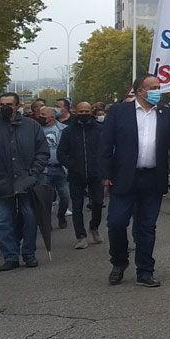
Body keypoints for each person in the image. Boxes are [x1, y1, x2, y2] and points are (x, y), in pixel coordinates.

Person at [98, 73, 170, 288]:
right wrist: (105, 174)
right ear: (140, 91)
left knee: (147, 227)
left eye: (159, 86)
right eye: (153, 87)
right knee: (116, 222)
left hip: (153, 177)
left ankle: (145, 270)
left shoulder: (168, 115)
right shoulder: (119, 112)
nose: (158, 91)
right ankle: (119, 261)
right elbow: (105, 145)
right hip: (124, 177)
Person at [0, 92, 49, 270]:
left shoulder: (31, 126)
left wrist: (33, 174)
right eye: (2, 104)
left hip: (27, 181)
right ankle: (10, 256)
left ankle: (29, 254)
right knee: (2, 221)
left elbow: (42, 151)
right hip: (0, 182)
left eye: (9, 104)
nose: (5, 108)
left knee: (30, 218)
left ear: (17, 106)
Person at [58, 102, 105, 250]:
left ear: (91, 111)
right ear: (75, 111)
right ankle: (81, 236)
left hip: (96, 174)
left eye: (87, 111)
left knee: (97, 203)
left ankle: (94, 226)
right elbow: (61, 153)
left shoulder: (99, 129)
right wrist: (71, 165)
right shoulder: (68, 131)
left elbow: (106, 150)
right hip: (76, 175)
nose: (84, 113)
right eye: (81, 111)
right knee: (77, 207)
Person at [37, 106, 71, 228]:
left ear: (51, 117)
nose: (40, 117)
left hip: (60, 168)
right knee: (45, 198)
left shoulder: (64, 129)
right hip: (44, 169)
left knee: (65, 196)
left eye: (43, 115)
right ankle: (47, 222)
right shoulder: (36, 129)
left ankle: (61, 215)